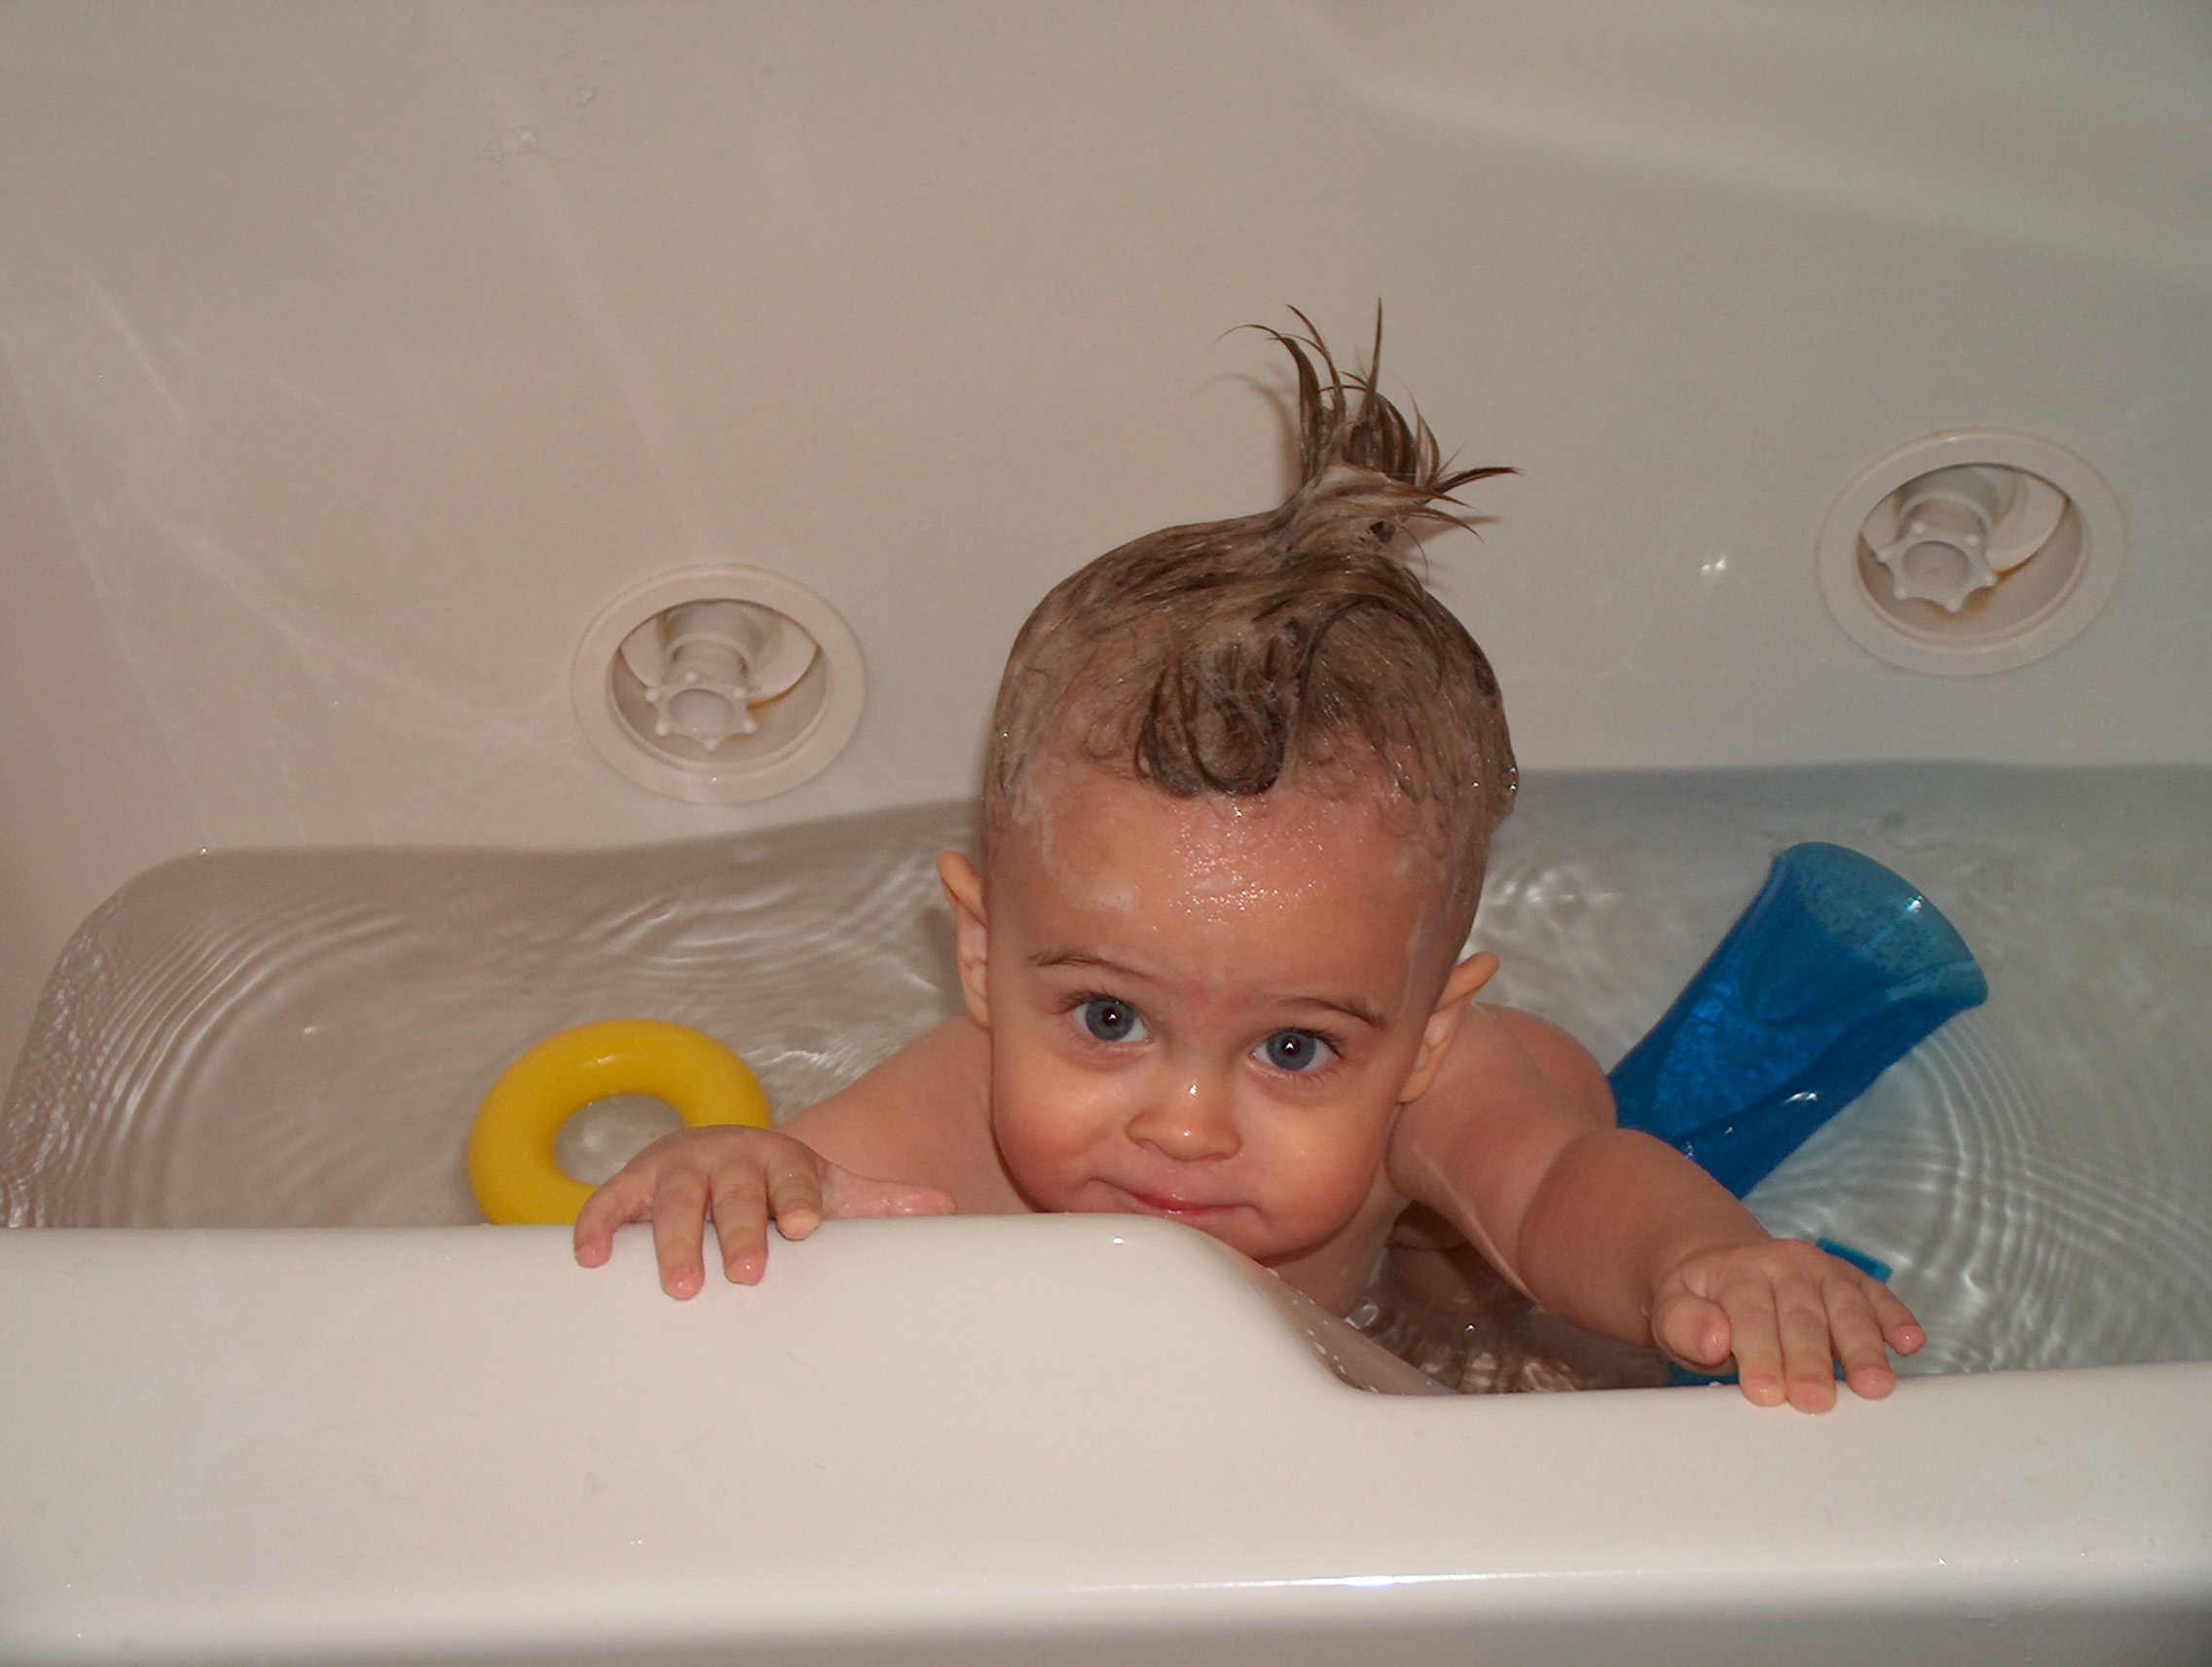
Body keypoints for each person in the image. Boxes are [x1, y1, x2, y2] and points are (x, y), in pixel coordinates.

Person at [574, 316, 1924, 1412]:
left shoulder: (1421, 1100)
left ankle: (1610, 1178)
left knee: (1521, 1221)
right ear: (982, 960)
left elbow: (1563, 1194)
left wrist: (1710, 1263)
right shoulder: (955, 1110)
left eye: (1293, 1049)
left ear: (1423, 1033)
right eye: (1109, 1019)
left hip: (1397, 1303)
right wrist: (737, 1172)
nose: (1185, 1127)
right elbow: (791, 1195)